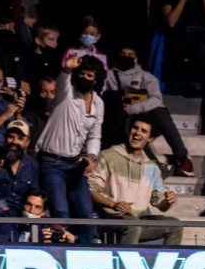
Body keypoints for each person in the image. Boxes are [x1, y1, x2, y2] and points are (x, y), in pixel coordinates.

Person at [35, 53, 105, 245]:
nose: (84, 77)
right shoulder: (66, 93)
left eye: (89, 75)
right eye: (81, 73)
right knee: (61, 213)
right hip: (52, 161)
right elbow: (62, 82)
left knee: (86, 214)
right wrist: (67, 69)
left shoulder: (99, 104)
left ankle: (86, 255)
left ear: (96, 79)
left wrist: (92, 156)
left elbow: (95, 136)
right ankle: (60, 255)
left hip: (75, 164)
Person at [88, 114, 183, 246]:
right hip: (110, 220)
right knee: (133, 225)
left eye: (143, 131)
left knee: (175, 225)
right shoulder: (108, 156)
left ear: (150, 138)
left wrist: (167, 201)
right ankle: (127, 264)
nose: (137, 133)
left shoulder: (152, 168)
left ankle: (170, 265)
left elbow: (160, 204)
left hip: (138, 221)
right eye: (135, 128)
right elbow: (91, 189)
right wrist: (113, 204)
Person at [103, 45, 193, 176]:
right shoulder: (108, 75)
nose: (126, 57)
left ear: (136, 58)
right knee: (136, 128)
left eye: (130, 55)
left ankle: (182, 157)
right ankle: (155, 165)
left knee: (160, 112)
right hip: (121, 119)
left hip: (141, 114)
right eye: (123, 54)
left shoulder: (146, 76)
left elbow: (157, 99)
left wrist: (132, 108)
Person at [0, 119, 39, 241]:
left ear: (27, 142)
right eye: (11, 137)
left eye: (20, 138)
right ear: (5, 138)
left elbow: (35, 193)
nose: (14, 142)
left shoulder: (32, 164)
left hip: (24, 214)